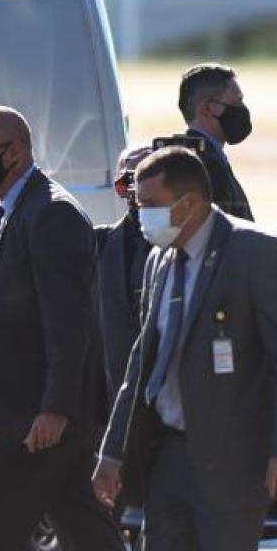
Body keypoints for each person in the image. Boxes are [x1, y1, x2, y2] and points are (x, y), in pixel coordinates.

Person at [92, 147, 277, 551]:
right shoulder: (161, 260)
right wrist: (112, 452)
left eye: (151, 204)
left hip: (234, 457)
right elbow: (141, 363)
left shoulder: (256, 254)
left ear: (189, 203)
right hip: (170, 455)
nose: (141, 215)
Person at [0, 107, 138, 551]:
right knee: (95, 547)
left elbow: (68, 325)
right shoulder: (16, 212)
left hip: (35, 425)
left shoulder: (51, 213)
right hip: (43, 425)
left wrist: (55, 407)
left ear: (16, 151)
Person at [95, 145, 154, 407]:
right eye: (131, 180)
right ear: (119, 188)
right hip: (118, 399)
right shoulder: (99, 244)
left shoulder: (191, 244)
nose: (141, 191)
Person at [178, 62, 254, 220]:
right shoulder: (204, 166)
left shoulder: (203, 156)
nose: (242, 109)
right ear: (208, 108)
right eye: (237, 102)